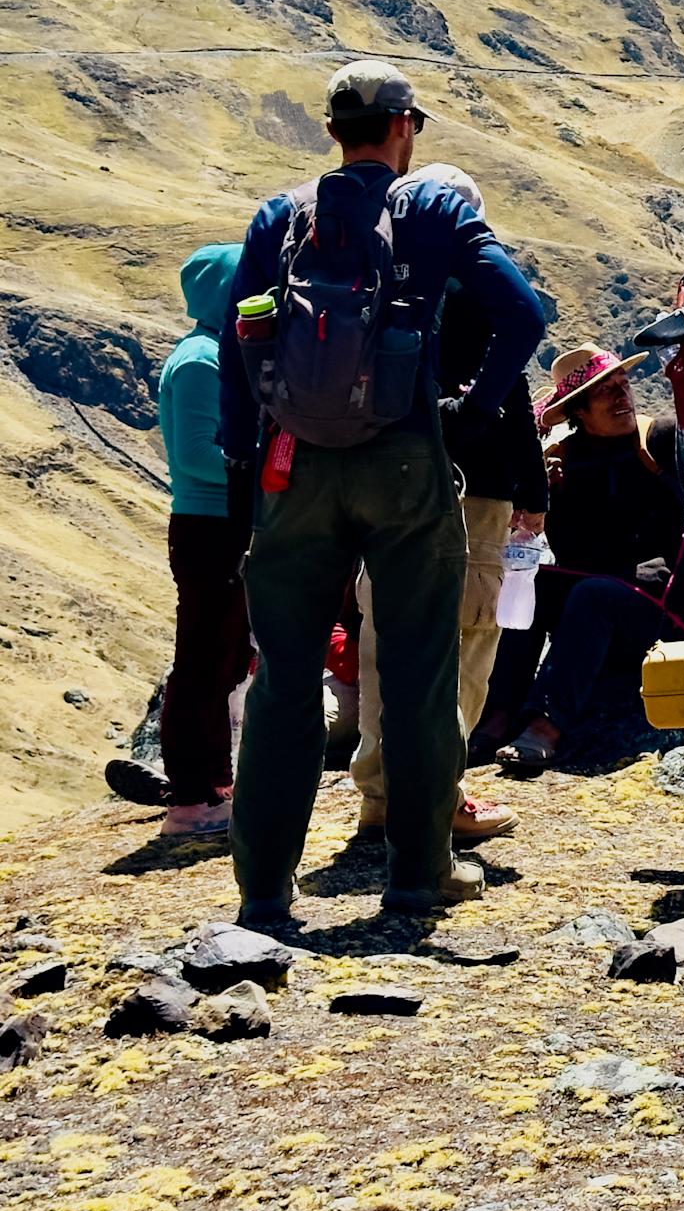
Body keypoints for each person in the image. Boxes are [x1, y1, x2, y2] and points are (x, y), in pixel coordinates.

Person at [217, 59, 543, 927]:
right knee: (420, 672)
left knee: (285, 677)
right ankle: (416, 875)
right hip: (406, 464)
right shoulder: (435, 211)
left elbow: (236, 337)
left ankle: (262, 893)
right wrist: (471, 410)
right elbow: (523, 315)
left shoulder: (282, 216)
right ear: (405, 129)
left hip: (295, 467)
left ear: (331, 131)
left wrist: (250, 466)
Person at [351, 164, 546, 843]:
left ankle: (379, 792)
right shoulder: (472, 287)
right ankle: (439, 793)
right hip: (470, 488)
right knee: (464, 642)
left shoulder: (376, 283)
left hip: (380, 484)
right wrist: (535, 489)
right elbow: (512, 391)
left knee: (385, 640)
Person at [494, 345, 684, 770]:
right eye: (606, 392)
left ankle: (546, 726)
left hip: (670, 609)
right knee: (533, 582)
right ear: (578, 411)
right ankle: (498, 711)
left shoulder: (661, 440)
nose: (623, 398)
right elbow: (574, 555)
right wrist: (552, 501)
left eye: (624, 386)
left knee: (592, 595)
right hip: (603, 600)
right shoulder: (567, 460)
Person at [154, 242, 248, 836]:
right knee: (204, 659)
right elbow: (193, 455)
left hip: (222, 524)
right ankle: (191, 799)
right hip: (209, 525)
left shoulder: (215, 352)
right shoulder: (200, 361)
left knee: (223, 656)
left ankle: (212, 784)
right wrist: (262, 466)